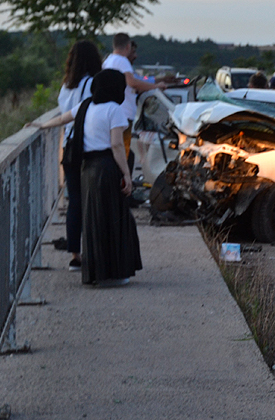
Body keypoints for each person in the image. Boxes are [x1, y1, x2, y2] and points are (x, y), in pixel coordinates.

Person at [28, 69, 142, 286]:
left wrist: (41, 125)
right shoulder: (114, 110)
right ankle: (114, 273)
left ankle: (96, 273)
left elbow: (62, 118)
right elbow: (117, 145)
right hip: (107, 167)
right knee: (113, 218)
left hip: (87, 169)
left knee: (93, 220)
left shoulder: (85, 105)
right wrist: (127, 174)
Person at [57, 40, 102, 272]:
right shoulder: (92, 83)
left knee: (74, 201)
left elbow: (64, 116)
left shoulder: (66, 86)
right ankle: (94, 251)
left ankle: (75, 255)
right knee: (92, 201)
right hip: (87, 149)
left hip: (69, 149)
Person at [102, 33, 166, 176]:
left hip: (110, 113)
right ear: (127, 46)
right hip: (123, 115)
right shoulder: (122, 61)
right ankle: (123, 185)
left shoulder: (108, 61)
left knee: (115, 153)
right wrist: (155, 86)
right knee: (122, 154)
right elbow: (132, 82)